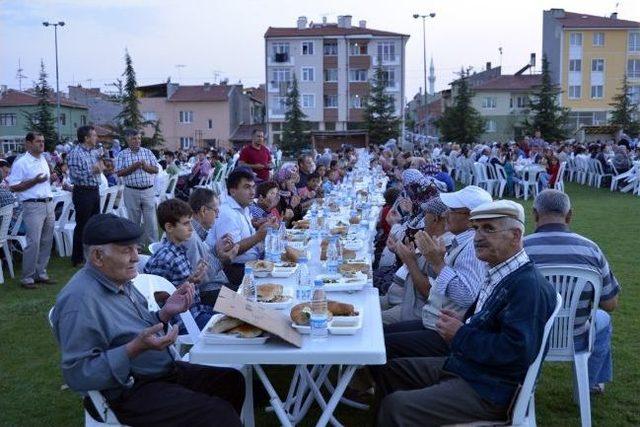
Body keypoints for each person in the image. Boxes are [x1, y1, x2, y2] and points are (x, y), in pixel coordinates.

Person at [374, 200, 557, 426]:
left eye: (488, 229)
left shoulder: (527, 287)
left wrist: (460, 334)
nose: (478, 237)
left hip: (489, 390)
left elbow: (516, 351)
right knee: (391, 369)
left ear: (516, 236)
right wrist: (466, 321)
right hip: (468, 367)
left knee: (397, 407)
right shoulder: (501, 271)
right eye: (476, 228)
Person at [51, 213, 244, 426]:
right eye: (127, 250)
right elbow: (78, 374)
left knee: (232, 382)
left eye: (136, 248)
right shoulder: (79, 302)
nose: (136, 257)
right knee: (218, 415)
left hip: (160, 373)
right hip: (128, 391)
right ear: (98, 257)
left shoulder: (118, 280)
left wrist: (165, 313)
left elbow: (135, 327)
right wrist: (133, 348)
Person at [378, 185, 492, 361]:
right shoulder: (460, 242)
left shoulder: (470, 247)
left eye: (452, 210)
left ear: (471, 218)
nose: (446, 214)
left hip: (443, 331)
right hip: (433, 321)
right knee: (381, 335)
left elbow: (464, 295)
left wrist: (436, 263)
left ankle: (372, 384)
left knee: (379, 341)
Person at [524, 190, 620, 394]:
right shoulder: (591, 250)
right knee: (604, 319)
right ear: (569, 215)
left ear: (535, 214)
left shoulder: (520, 249)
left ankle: (526, 383)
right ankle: (590, 384)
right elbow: (610, 304)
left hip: (529, 335)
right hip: (575, 335)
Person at [144, 198, 213, 330]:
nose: (191, 229)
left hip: (197, 311)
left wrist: (194, 279)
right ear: (169, 227)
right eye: (186, 224)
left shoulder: (179, 250)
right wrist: (189, 282)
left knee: (237, 314)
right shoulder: (165, 257)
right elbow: (153, 297)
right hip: (184, 321)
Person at [207, 169, 277, 287]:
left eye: (253, 187)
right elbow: (229, 251)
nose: (252, 192)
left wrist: (259, 225)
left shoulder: (243, 207)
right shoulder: (227, 213)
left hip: (250, 265)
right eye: (247, 187)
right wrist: (258, 236)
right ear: (233, 191)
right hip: (235, 271)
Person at [7, 132, 56, 289]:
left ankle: (41, 272)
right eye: (37, 141)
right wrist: (35, 181)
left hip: (48, 202)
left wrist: (51, 178)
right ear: (28, 144)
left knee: (47, 240)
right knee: (33, 242)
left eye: (42, 141)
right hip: (33, 205)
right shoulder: (21, 162)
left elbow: (45, 181)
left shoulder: (43, 159)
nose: (41, 144)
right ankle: (27, 277)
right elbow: (13, 186)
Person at [187, 188, 238, 306]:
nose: (218, 215)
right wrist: (223, 261)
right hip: (208, 293)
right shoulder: (191, 236)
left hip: (216, 288)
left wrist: (216, 250)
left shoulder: (197, 233)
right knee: (253, 299)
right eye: (216, 211)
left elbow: (202, 258)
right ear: (203, 210)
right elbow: (199, 277)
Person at [67, 125, 104, 267]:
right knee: (82, 225)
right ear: (86, 138)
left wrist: (99, 164)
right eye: (94, 135)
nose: (96, 138)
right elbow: (75, 176)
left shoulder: (94, 152)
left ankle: (93, 255)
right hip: (83, 191)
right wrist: (92, 170)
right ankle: (77, 258)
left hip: (94, 189)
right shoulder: (75, 153)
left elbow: (102, 169)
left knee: (94, 224)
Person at [116, 129, 160, 246]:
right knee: (133, 220)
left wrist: (146, 167)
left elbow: (156, 169)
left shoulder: (147, 152)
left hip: (148, 190)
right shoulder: (122, 154)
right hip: (131, 190)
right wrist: (133, 167)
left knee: (150, 220)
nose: (137, 141)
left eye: (139, 138)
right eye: (134, 138)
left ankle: (153, 245)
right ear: (128, 140)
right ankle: (136, 246)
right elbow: (119, 172)